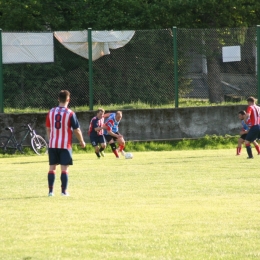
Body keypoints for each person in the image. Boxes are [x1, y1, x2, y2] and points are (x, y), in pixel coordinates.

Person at [45, 90, 86, 196]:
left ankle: (50, 192)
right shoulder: (70, 113)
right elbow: (76, 130)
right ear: (68, 100)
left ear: (58, 99)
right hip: (65, 145)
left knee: (52, 168)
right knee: (64, 169)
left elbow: (48, 128)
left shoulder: (51, 111)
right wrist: (81, 141)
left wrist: (51, 141)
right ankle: (63, 192)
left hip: (53, 144)